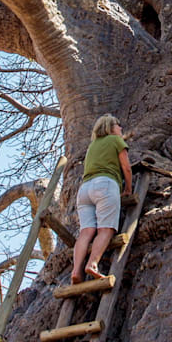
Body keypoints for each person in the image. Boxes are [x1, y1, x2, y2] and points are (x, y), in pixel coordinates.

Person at [71, 114, 132, 284]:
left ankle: (76, 271)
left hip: (84, 190)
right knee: (106, 229)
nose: (121, 128)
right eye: (118, 125)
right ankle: (92, 264)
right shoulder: (116, 141)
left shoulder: (92, 146)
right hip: (105, 184)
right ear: (110, 127)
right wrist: (128, 188)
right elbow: (126, 168)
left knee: (86, 232)